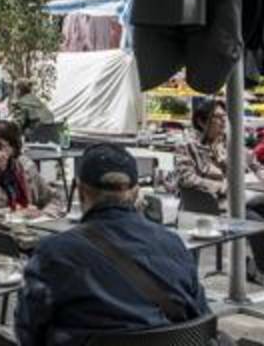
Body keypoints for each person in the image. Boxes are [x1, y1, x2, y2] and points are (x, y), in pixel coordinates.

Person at [16, 144, 213, 345]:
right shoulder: (173, 244)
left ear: (80, 191)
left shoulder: (53, 254)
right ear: (136, 193)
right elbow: (200, 317)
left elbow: (28, 331)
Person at [176, 99, 264, 285]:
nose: (223, 122)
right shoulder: (188, 146)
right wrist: (221, 186)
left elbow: (256, 164)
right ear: (201, 121)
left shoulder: (233, 142)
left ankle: (254, 266)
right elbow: (186, 178)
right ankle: (261, 270)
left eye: (224, 117)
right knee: (263, 229)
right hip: (221, 202)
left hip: (254, 196)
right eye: (217, 118)